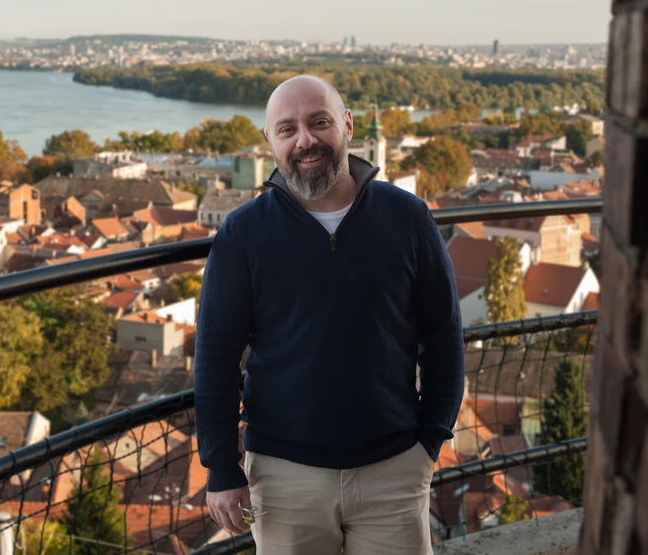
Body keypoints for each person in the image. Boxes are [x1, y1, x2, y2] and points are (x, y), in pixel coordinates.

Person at [194, 75, 464, 555]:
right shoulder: (244, 233)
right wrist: (220, 467)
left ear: (347, 125)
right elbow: (215, 356)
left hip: (394, 469)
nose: (305, 140)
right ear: (270, 141)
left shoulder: (408, 218)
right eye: (287, 129)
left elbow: (444, 337)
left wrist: (429, 443)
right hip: (283, 476)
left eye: (319, 122)